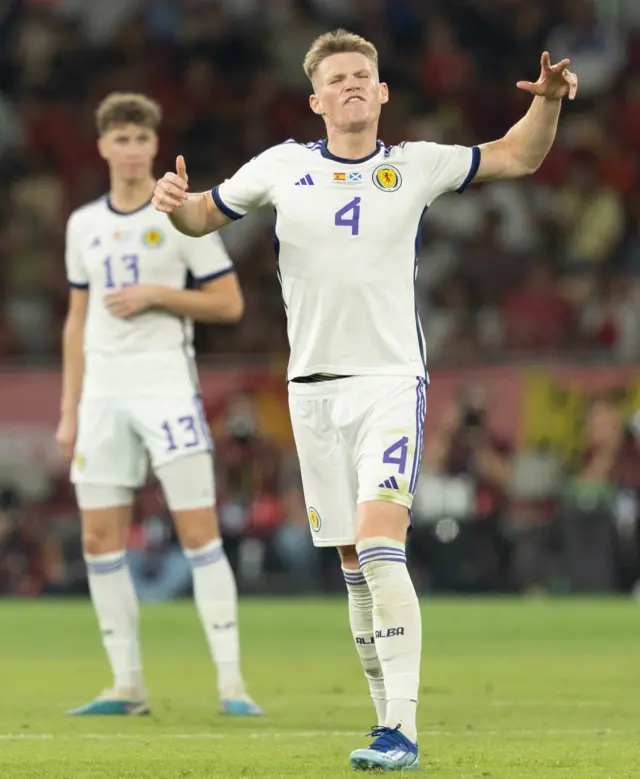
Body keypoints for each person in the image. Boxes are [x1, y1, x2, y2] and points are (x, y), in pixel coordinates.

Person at [152, 30, 578, 771]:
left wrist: (545, 104)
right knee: (352, 560)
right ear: (316, 99)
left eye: (363, 76)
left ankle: (403, 730)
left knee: (382, 542)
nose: (351, 85)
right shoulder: (282, 167)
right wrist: (171, 204)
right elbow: (201, 217)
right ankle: (384, 721)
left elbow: (519, 154)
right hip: (312, 392)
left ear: (381, 93)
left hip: (388, 380)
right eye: (337, 78)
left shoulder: (413, 166)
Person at [56, 92, 262, 718]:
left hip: (166, 385)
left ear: (154, 144)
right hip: (103, 396)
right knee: (98, 537)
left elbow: (229, 304)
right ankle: (127, 685)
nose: (131, 149)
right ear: (102, 147)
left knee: (198, 532)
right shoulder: (82, 224)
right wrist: (69, 409)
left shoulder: (180, 216)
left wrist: (156, 294)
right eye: (119, 138)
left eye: (141, 138)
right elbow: (76, 321)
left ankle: (232, 684)